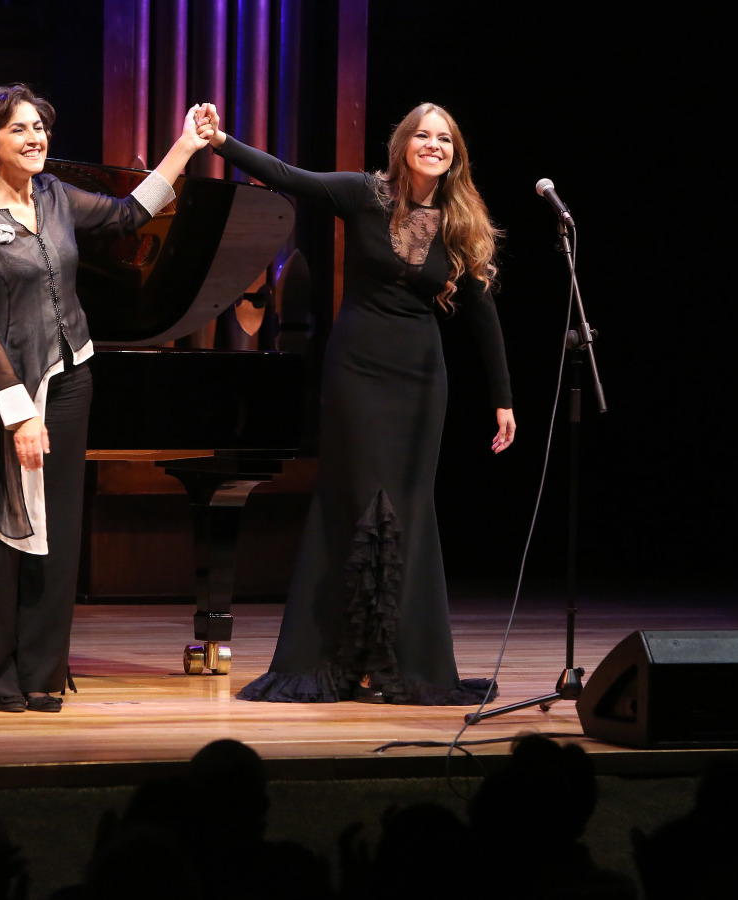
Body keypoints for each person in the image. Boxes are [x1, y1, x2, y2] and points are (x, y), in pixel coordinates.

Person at [201, 101, 515, 705]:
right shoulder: (362, 194)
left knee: (410, 509)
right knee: (353, 502)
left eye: (444, 139)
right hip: (356, 371)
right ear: (403, 145)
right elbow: (288, 175)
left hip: (421, 379)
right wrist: (223, 143)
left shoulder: (459, 219)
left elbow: (482, 315)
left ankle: (404, 663)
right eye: (422, 135)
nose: (433, 145)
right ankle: (333, 660)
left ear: (455, 154)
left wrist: (502, 399)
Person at [0, 84, 211, 712]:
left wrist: (184, 147)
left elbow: (127, 214)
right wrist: (19, 418)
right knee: (2, 531)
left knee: (57, 533)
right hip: (5, 392)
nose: (36, 138)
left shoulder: (56, 197)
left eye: (40, 127)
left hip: (71, 378)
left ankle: (41, 674)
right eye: (20, 130)